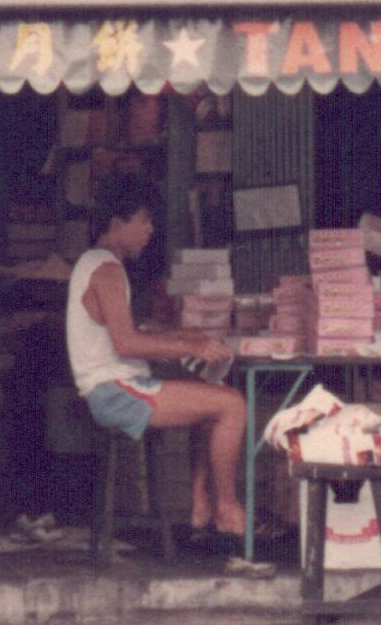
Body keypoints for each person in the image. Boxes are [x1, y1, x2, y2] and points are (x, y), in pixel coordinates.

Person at [67, 184, 256, 542]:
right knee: (232, 405)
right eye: (142, 221)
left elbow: (126, 332)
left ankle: (201, 506)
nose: (150, 230)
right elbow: (126, 343)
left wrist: (187, 339)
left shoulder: (98, 264)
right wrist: (188, 348)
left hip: (115, 387)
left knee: (212, 393)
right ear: (115, 223)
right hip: (114, 393)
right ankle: (229, 510)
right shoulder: (106, 270)